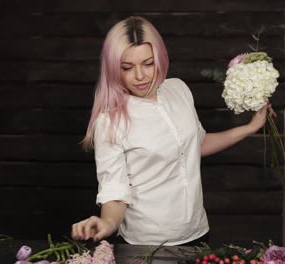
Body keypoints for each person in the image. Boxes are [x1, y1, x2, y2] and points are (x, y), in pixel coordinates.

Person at [71, 16, 273, 246]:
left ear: (160, 57)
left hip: (198, 233)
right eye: (127, 67)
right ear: (113, 69)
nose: (140, 76)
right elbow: (114, 192)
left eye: (148, 63)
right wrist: (107, 223)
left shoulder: (179, 89)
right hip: (147, 244)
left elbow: (196, 145)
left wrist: (249, 128)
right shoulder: (110, 121)